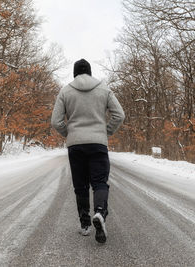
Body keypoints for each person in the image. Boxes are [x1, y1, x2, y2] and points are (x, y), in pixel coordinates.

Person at [51, 59, 125, 243]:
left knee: (80, 185)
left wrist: (69, 133)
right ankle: (99, 212)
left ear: (74, 73)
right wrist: (105, 132)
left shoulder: (65, 90)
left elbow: (56, 121)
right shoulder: (104, 89)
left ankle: (85, 225)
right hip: (98, 143)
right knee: (100, 182)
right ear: (90, 72)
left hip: (75, 145)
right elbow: (119, 115)